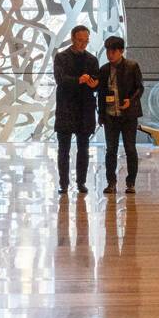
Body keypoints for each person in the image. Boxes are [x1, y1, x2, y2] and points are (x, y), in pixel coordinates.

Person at [53, 24, 100, 195]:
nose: (83, 44)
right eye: (80, 41)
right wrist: (79, 80)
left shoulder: (92, 60)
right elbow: (60, 79)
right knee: (63, 149)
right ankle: (63, 184)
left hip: (85, 110)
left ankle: (81, 182)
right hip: (66, 108)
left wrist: (94, 84)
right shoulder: (61, 57)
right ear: (73, 39)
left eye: (86, 41)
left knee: (84, 148)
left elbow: (96, 83)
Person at [96, 35, 144, 195]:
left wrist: (130, 100)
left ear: (121, 51)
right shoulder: (103, 70)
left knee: (130, 148)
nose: (110, 55)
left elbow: (140, 88)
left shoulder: (132, 66)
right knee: (111, 150)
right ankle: (111, 182)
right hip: (110, 115)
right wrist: (100, 115)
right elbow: (101, 94)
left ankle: (131, 183)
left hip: (128, 115)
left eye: (113, 51)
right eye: (108, 51)